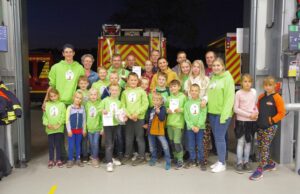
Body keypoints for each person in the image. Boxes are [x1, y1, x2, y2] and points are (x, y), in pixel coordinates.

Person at [43, 44, 85, 163]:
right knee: (60, 132)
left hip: (73, 104)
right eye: (66, 52)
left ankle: (76, 155)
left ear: (74, 53)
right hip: (59, 104)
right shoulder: (56, 67)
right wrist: (45, 101)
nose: (68, 54)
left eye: (70, 52)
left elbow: (81, 85)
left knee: (74, 131)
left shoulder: (79, 67)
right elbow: (52, 86)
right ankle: (62, 156)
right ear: (62, 54)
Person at [249, 76, 286, 181]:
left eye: (270, 85)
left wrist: (272, 120)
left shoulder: (277, 97)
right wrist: (254, 114)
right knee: (261, 147)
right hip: (260, 125)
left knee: (264, 146)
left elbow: (282, 113)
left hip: (271, 127)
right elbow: (256, 108)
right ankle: (270, 164)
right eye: (266, 85)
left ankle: (260, 169)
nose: (268, 87)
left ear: (275, 85)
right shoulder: (261, 97)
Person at [207, 57, 235, 173]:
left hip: (222, 114)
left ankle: (222, 163)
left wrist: (225, 115)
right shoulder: (213, 77)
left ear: (223, 66)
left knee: (219, 138)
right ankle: (220, 160)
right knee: (220, 137)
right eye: (214, 66)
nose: (216, 67)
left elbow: (229, 98)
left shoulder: (228, 78)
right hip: (212, 113)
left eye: (218, 65)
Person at [121, 72, 149, 166]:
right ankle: (127, 154)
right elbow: (123, 105)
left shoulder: (141, 91)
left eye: (135, 80)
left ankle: (141, 156)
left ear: (138, 81)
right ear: (128, 81)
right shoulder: (124, 92)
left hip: (139, 118)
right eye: (131, 80)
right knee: (128, 137)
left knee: (139, 138)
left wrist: (137, 113)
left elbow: (145, 104)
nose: (133, 81)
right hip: (129, 119)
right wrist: (129, 115)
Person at [234, 74, 258, 174]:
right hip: (241, 121)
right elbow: (235, 109)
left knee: (248, 142)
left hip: (252, 121)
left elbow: (255, 105)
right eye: (245, 81)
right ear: (241, 83)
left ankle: (246, 161)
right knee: (241, 142)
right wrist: (249, 115)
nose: (247, 83)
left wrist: (256, 113)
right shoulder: (238, 93)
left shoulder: (254, 92)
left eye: (249, 81)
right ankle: (239, 162)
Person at [100, 84, 124, 172]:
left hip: (116, 124)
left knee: (113, 142)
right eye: (112, 90)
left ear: (119, 92)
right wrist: (103, 110)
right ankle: (109, 162)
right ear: (109, 91)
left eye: (116, 90)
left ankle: (111, 158)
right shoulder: (105, 100)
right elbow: (99, 109)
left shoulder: (119, 102)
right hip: (107, 125)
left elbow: (122, 112)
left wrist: (123, 117)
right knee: (109, 143)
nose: (114, 92)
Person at [183, 84, 207, 170]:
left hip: (200, 128)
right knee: (191, 144)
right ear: (189, 92)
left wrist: (198, 126)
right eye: (192, 90)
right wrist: (192, 126)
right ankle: (192, 159)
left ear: (199, 92)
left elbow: (203, 115)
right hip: (190, 128)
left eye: (196, 90)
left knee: (200, 144)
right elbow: (186, 116)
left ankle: (201, 160)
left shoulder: (202, 103)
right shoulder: (187, 103)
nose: (194, 92)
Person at [145, 93, 171, 170]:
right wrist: (146, 124)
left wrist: (158, 112)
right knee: (152, 146)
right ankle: (153, 158)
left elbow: (162, 118)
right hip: (150, 131)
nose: (156, 101)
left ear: (161, 101)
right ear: (152, 100)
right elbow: (148, 118)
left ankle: (168, 161)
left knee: (165, 145)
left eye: (158, 100)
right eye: (154, 100)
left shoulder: (163, 108)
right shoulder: (151, 109)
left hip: (159, 131)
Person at [42, 88, 66, 168]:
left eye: (54, 96)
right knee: (51, 145)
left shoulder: (62, 105)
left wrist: (59, 124)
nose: (53, 98)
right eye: (51, 96)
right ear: (49, 97)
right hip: (50, 129)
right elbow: (44, 117)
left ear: (58, 95)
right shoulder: (47, 105)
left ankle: (58, 159)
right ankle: (51, 159)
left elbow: (63, 115)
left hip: (59, 129)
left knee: (58, 144)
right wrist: (47, 124)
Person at [166, 79, 187, 169]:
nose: (172, 88)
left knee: (177, 142)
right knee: (171, 142)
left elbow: (186, 108)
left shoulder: (183, 97)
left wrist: (181, 110)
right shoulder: (168, 98)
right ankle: (175, 157)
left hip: (178, 124)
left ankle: (180, 159)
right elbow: (166, 107)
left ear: (179, 87)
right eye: (171, 87)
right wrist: (167, 110)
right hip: (170, 123)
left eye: (174, 86)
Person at [66, 91, 87, 168]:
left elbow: (84, 119)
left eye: (80, 98)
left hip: (79, 131)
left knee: (78, 145)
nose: (78, 100)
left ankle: (78, 159)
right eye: (77, 97)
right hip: (71, 131)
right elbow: (67, 120)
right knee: (71, 145)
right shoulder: (70, 108)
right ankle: (70, 159)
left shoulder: (82, 108)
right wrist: (69, 130)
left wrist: (84, 130)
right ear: (73, 98)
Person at [85, 88, 102, 168]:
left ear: (97, 95)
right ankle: (93, 156)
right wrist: (85, 127)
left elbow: (102, 117)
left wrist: (102, 127)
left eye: (95, 94)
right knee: (91, 144)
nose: (93, 96)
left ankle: (95, 158)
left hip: (97, 128)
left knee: (95, 143)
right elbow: (85, 116)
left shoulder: (100, 103)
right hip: (89, 128)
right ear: (89, 96)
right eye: (91, 94)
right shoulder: (87, 104)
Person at [76, 76, 89, 162]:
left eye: (85, 83)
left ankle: (85, 154)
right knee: (78, 135)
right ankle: (78, 154)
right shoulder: (77, 92)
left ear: (88, 84)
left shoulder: (89, 92)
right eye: (81, 83)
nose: (83, 85)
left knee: (85, 136)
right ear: (78, 84)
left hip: (87, 116)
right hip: (79, 116)